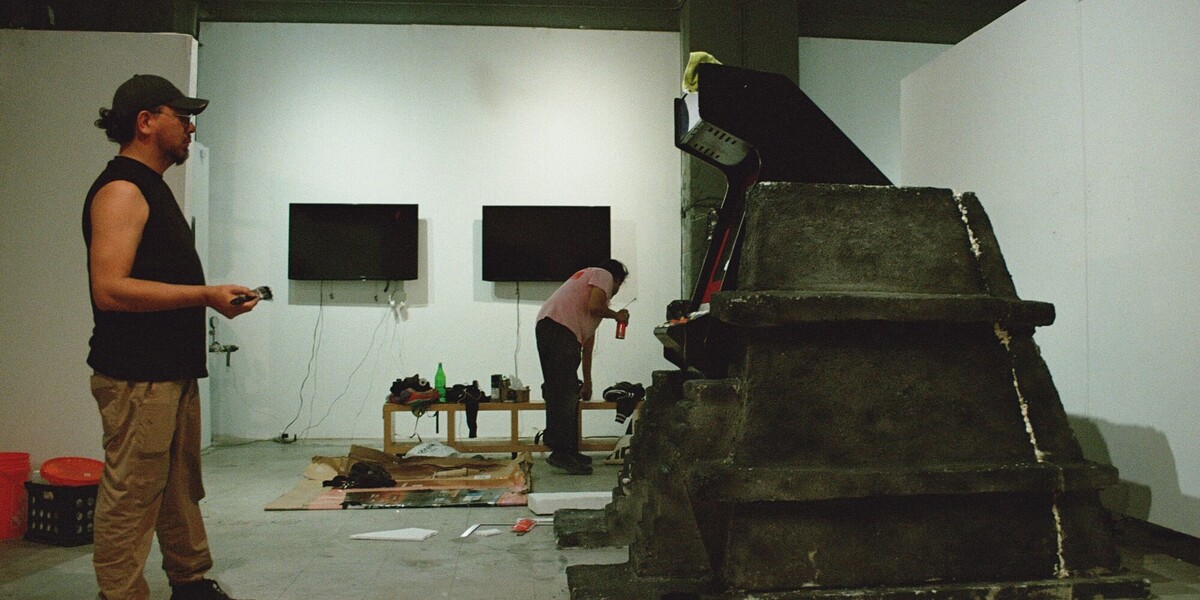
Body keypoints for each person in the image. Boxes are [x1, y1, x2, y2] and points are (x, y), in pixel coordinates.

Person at [84, 74, 260, 600]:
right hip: (136, 375)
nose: (190, 127)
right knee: (132, 494)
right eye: (180, 117)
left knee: (180, 487)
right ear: (145, 122)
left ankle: (190, 581)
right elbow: (109, 289)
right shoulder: (122, 189)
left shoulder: (151, 186)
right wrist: (205, 295)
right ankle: (119, 594)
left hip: (168, 371)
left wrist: (208, 296)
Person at [535, 259, 630, 475]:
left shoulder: (584, 303)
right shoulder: (603, 274)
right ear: (616, 280)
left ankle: (569, 451)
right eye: (618, 286)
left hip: (553, 328)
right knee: (563, 392)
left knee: (567, 390)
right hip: (558, 329)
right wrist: (617, 315)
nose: (614, 291)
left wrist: (588, 382)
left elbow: (587, 346)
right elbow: (595, 306)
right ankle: (560, 453)